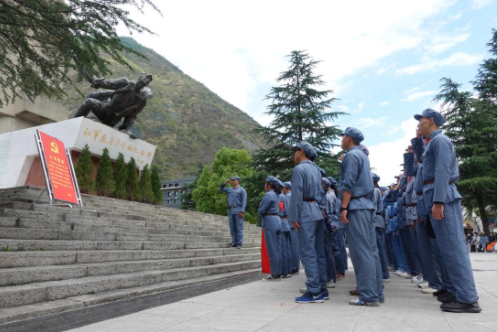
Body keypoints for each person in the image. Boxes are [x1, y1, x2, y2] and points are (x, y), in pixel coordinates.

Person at [415, 108, 481, 313]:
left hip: (441, 195)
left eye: (421, 120)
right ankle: (455, 291)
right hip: (435, 194)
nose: (418, 124)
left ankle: (468, 299)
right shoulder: (432, 142)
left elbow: (442, 172)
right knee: (446, 249)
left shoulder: (440, 141)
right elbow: (421, 164)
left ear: (431, 121)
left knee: (454, 249)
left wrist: (438, 201)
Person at [339, 127, 384, 306]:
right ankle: (376, 292)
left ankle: (368, 296)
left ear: (348, 138)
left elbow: (348, 184)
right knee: (371, 251)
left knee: (361, 252)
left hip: (356, 207)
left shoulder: (351, 156)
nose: (341, 140)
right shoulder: (363, 156)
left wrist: (343, 207)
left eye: (343, 137)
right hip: (366, 206)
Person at [288, 141, 327, 303]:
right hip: (316, 211)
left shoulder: (299, 169)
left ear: (301, 151)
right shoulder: (317, 170)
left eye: (295, 151)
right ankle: (321, 287)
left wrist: (293, 217)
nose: (293, 154)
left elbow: (296, 194)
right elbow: (320, 193)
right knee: (318, 252)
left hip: (304, 211)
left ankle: (314, 290)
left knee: (307, 252)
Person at [259, 176, 283, 281]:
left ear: (270, 185)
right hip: (277, 220)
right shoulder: (278, 195)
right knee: (278, 249)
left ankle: (274, 274)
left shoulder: (268, 195)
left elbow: (261, 211)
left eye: (266, 183)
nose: (265, 185)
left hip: (270, 222)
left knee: (272, 250)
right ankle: (278, 271)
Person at [219, 176, 247, 249]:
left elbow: (244, 201)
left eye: (234, 180)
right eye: (232, 180)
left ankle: (239, 243)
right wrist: (224, 183)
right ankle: (234, 242)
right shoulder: (229, 189)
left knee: (239, 228)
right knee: (232, 228)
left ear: (238, 181)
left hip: (238, 210)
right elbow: (221, 189)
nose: (232, 181)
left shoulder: (242, 190)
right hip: (231, 211)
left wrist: (242, 211)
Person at [372, 173, 390, 283]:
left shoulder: (374, 191)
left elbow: (373, 207)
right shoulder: (376, 190)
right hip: (377, 221)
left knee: (379, 248)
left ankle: (384, 274)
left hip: (376, 221)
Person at [283, 182, 300, 274]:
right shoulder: (295, 196)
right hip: (294, 224)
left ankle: (293, 266)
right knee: (295, 246)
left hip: (289, 223)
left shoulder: (286, 197)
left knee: (291, 247)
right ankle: (295, 265)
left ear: (286, 188)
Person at [279, 181, 292, 278]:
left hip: (283, 224)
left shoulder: (281, 197)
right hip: (286, 224)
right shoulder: (284, 196)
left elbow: (281, 210)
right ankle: (288, 270)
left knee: (283, 249)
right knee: (287, 249)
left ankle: (285, 271)